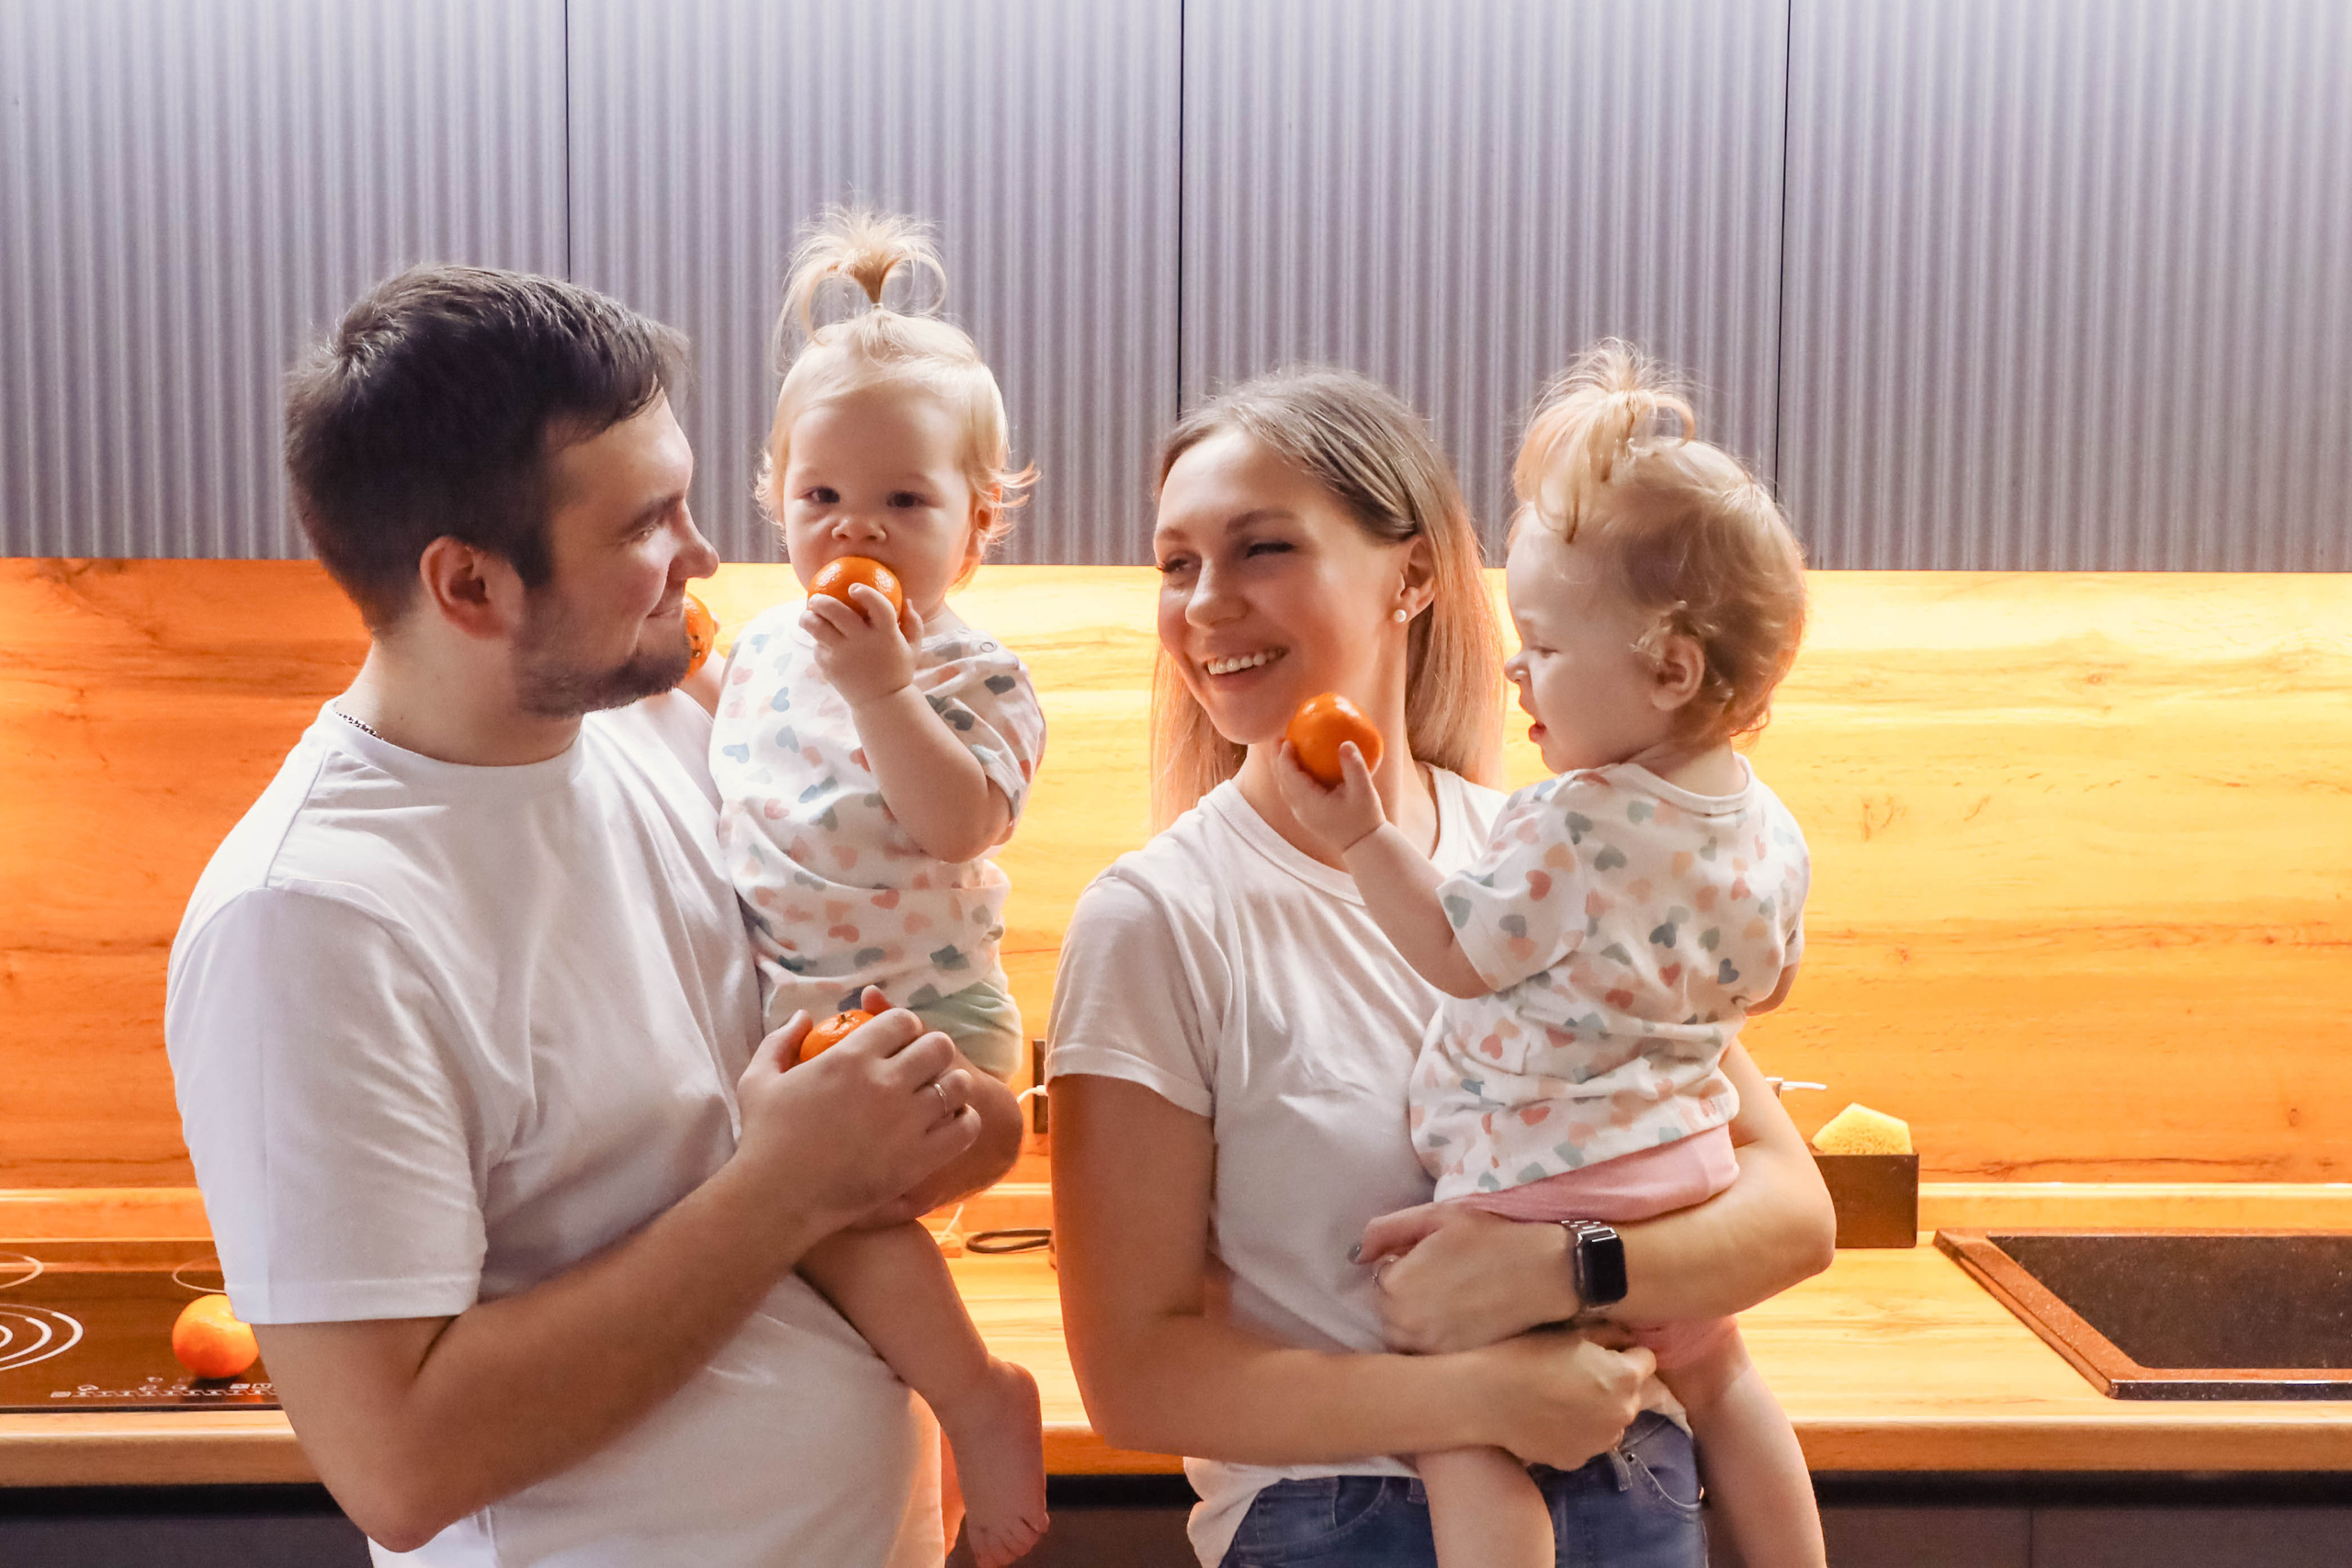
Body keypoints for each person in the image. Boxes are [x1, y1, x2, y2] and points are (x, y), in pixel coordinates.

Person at [164, 265, 1023, 1567]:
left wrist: (950, 1120)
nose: (706, 556)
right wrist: (787, 1185)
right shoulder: (310, 921)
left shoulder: (681, 733)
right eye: (646, 525)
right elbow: (403, 1464)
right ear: (470, 588)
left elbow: (849, 1130)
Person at [1046, 367, 1838, 1567]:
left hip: (1639, 1484)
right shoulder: (1157, 920)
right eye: (1176, 563)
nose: (1207, 604)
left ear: (1412, 575)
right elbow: (1136, 1381)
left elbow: (1793, 1215)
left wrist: (1563, 1265)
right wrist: (1472, 1403)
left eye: (1260, 549)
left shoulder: (1559, 840)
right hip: (1348, 1518)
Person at [1272, 342, 1825, 1568]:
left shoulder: (1567, 822)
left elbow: (1460, 953)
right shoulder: (1769, 827)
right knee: (1726, 1382)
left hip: (1534, 1178)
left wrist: (1366, 838)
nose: (1519, 667)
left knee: (1464, 1420)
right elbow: (1769, 987)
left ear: (1670, 668)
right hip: (1682, 1172)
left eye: (1549, 644)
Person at [689, 208, 1048, 1568]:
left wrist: (887, 687)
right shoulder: (782, 647)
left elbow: (956, 823)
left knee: (818, 1207)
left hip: (927, 1028)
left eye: (907, 502)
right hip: (806, 1032)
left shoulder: (971, 673)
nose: (861, 529)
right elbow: (762, 747)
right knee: (805, 1220)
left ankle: (980, 1398)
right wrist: (693, 672)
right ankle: (943, 1421)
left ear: (980, 521)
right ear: (774, 495)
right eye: (823, 496)